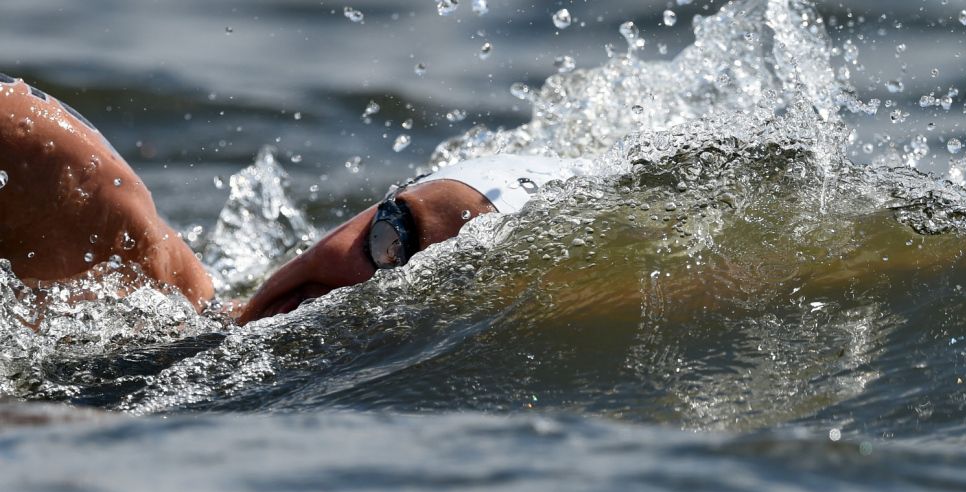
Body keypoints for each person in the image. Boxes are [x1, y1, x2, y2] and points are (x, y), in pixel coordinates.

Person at [0, 76, 578, 324]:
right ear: (375, 206)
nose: (365, 285)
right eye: (395, 236)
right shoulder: (85, 214)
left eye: (435, 294)